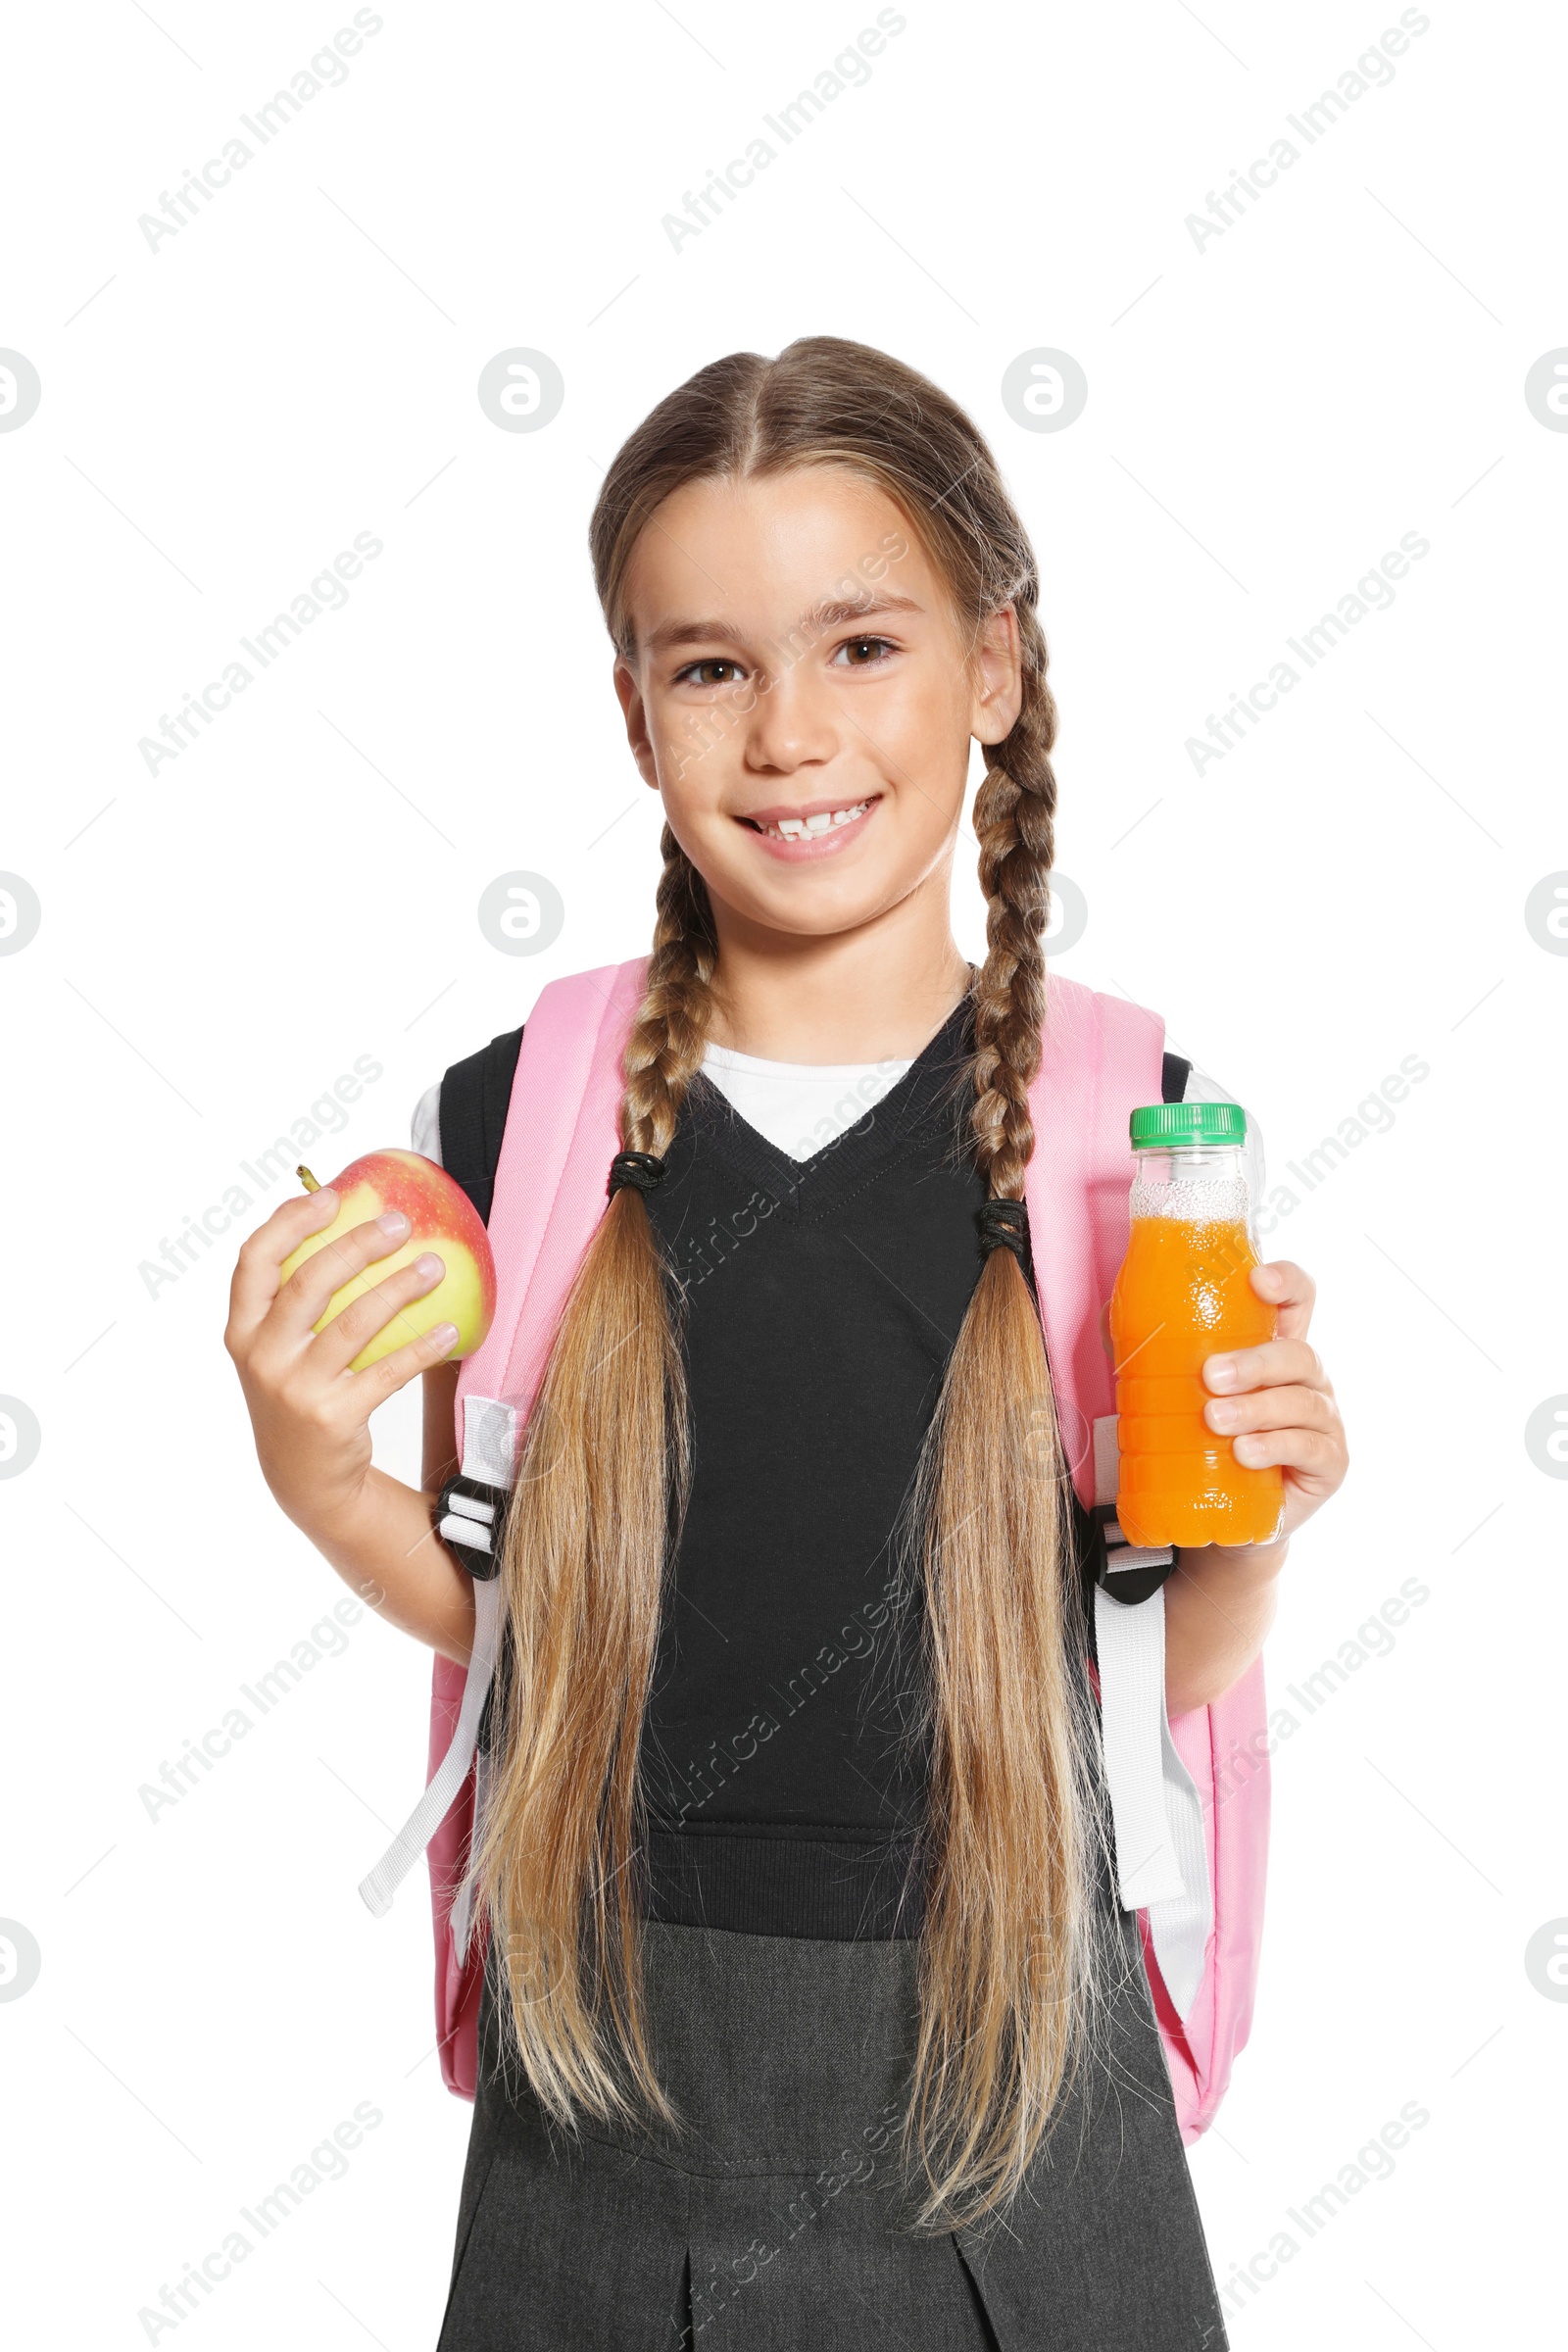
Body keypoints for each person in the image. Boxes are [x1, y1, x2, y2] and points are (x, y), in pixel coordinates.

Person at [225, 336, 1348, 2348]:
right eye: (711, 665)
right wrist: (311, 1476)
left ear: (991, 670)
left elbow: (1134, 1668)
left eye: (860, 647)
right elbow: (512, 1627)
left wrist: (1259, 1520)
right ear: (636, 712)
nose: (787, 735)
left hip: (1034, 2092)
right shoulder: (520, 1124)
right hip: (614, 2093)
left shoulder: (1131, 1129)